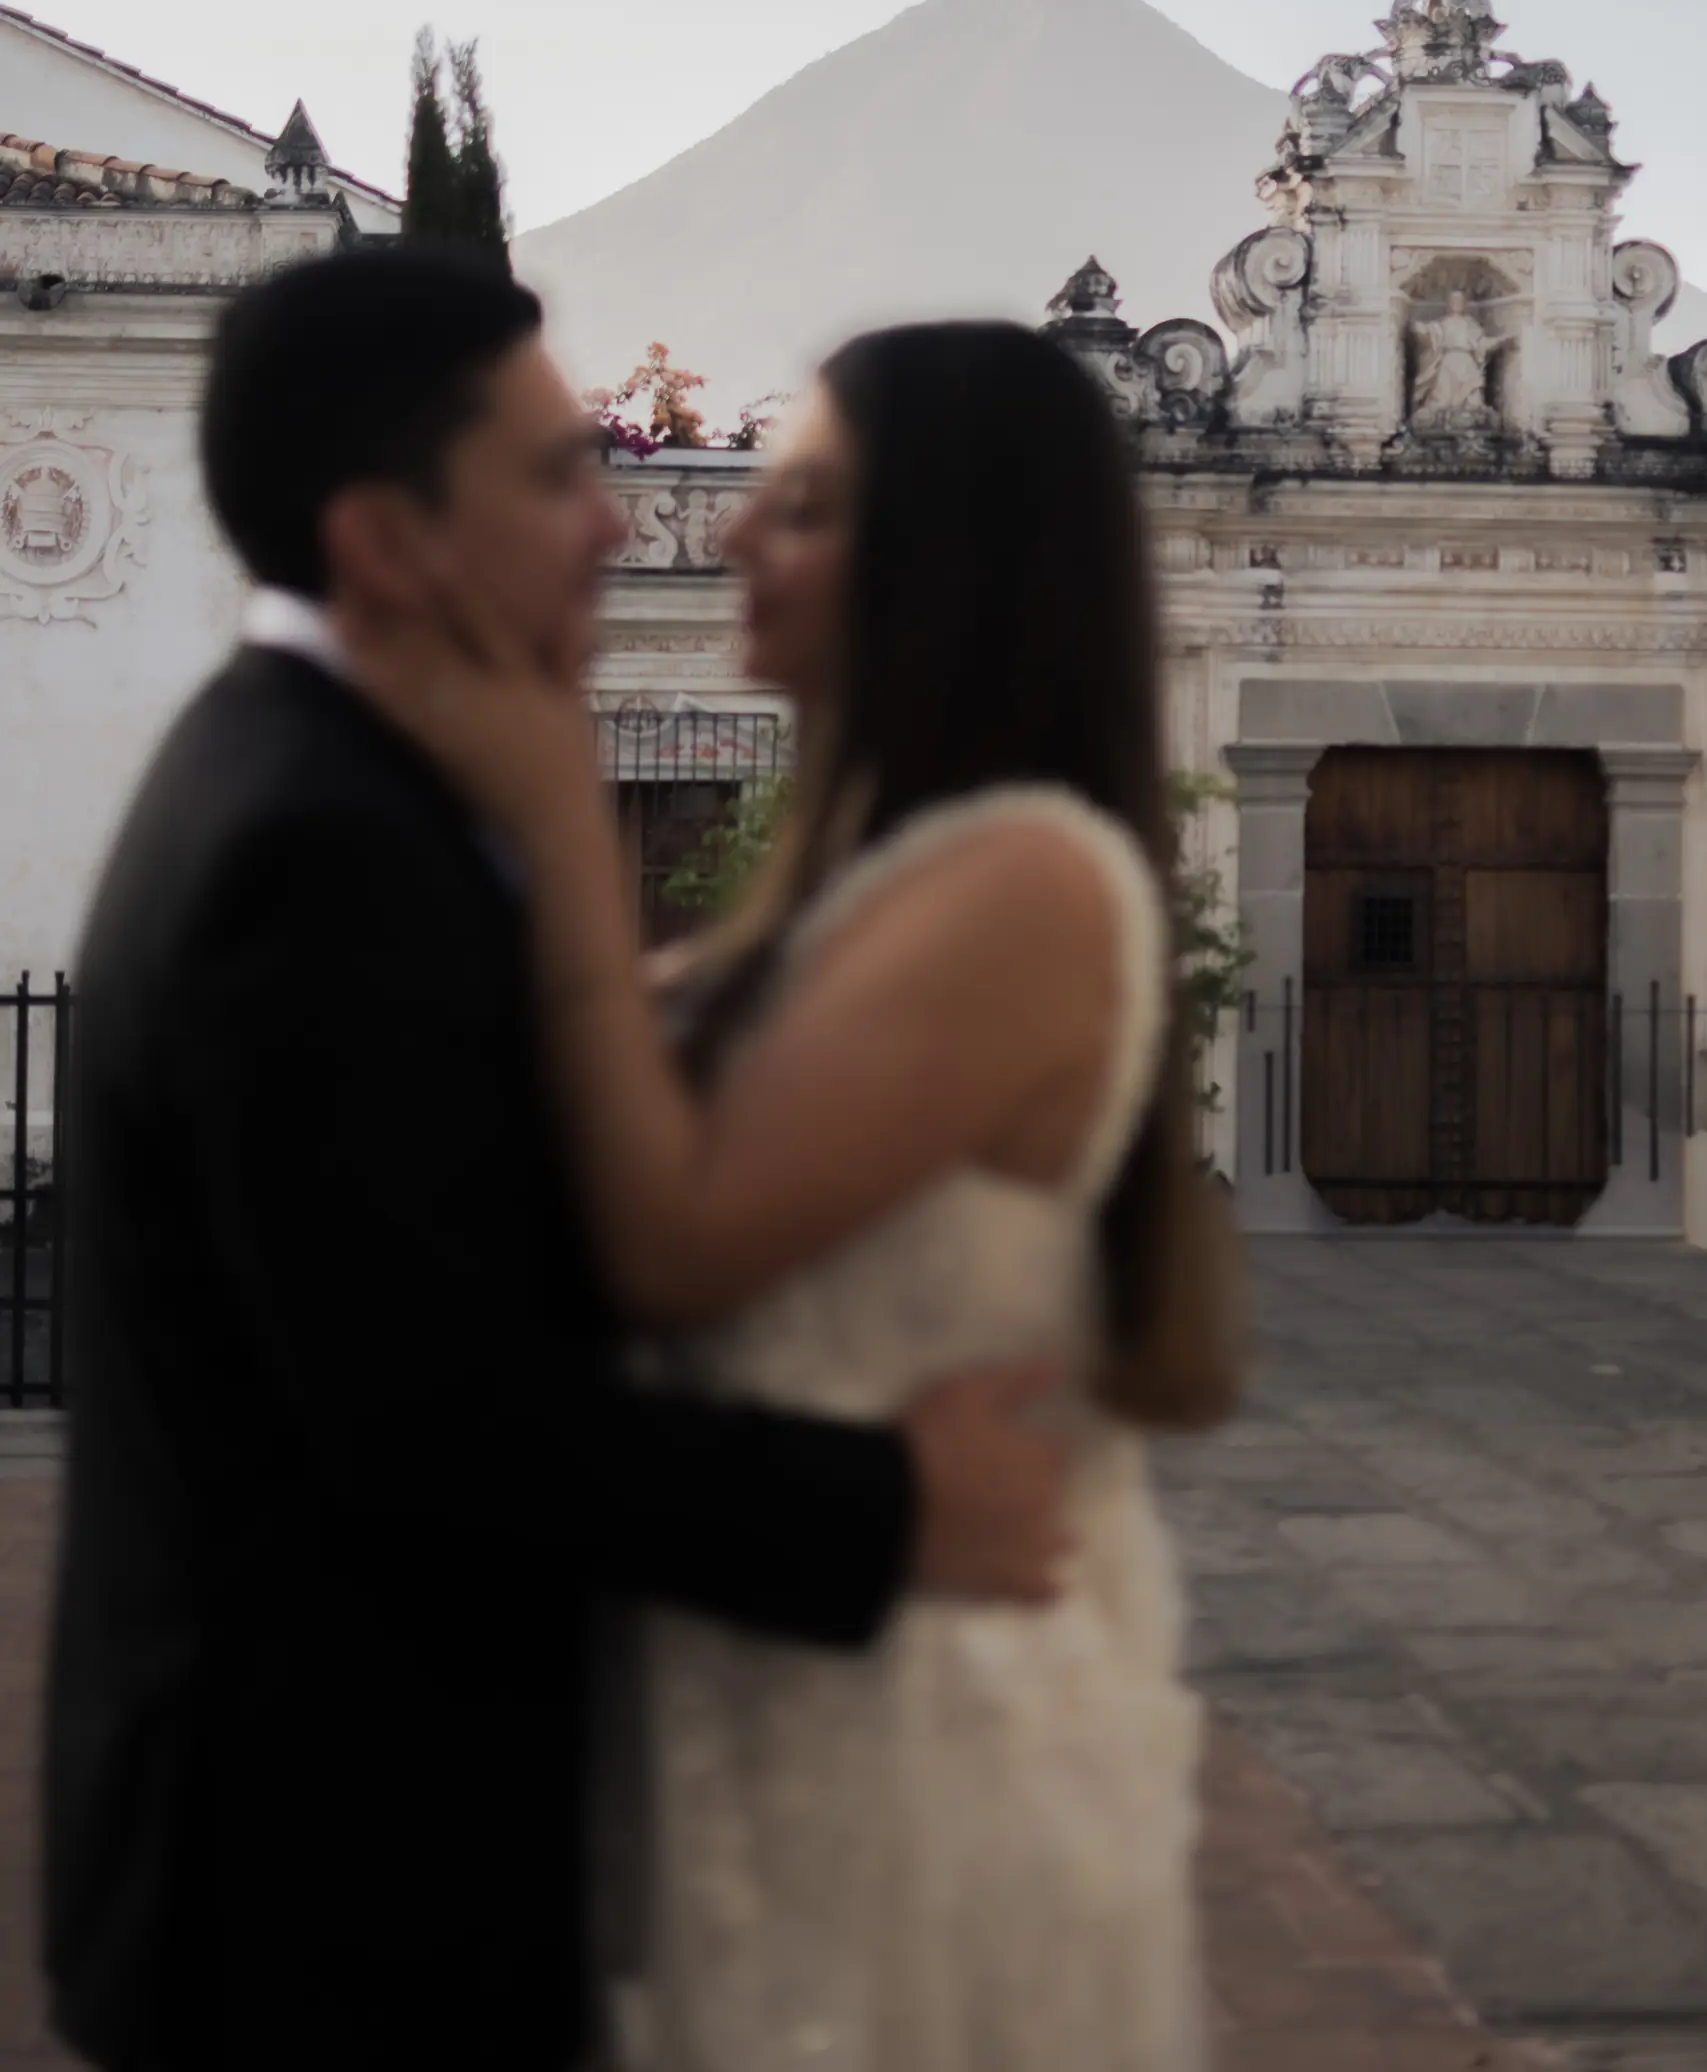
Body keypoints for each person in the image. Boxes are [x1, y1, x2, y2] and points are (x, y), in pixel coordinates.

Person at [41, 250, 1072, 2072]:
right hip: (321, 1896)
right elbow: (436, 1421)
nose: (616, 523)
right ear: (386, 543)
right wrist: (894, 1508)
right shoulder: (315, 848)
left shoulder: (316, 777)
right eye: (550, 474)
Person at [349, 318, 1217, 2072]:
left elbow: (678, 1244)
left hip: (915, 1719)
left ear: (953, 570)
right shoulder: (869, 878)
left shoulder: (1024, 879)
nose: (729, 528)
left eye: (804, 504)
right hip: (799, 1664)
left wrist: (553, 809)